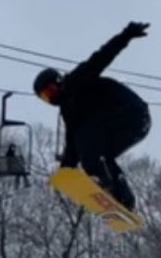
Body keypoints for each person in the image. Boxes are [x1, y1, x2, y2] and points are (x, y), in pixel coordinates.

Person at [33, 21, 152, 211]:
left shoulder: (75, 81)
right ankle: (124, 200)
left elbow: (101, 58)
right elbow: (72, 143)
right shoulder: (69, 113)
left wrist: (126, 35)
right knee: (101, 156)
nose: (51, 97)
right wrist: (65, 171)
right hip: (135, 125)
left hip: (129, 111)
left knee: (88, 143)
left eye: (50, 90)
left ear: (57, 81)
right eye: (45, 97)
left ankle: (101, 180)